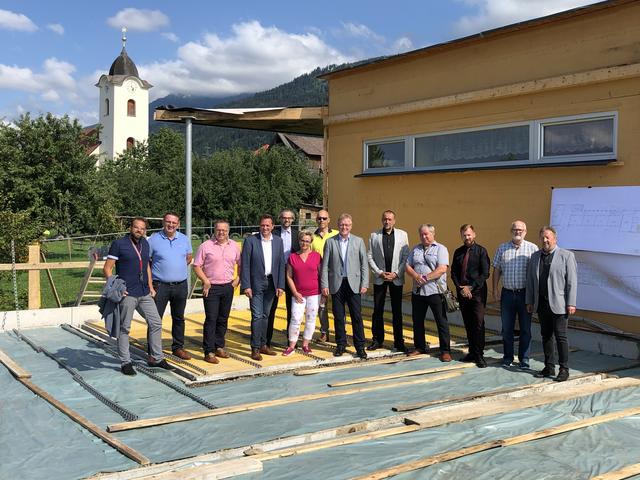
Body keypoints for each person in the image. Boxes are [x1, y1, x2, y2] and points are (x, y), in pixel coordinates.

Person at [103, 217, 171, 375]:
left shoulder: (145, 244)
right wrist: (116, 286)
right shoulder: (119, 244)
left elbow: (146, 265)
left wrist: (150, 286)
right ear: (130, 228)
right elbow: (107, 269)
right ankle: (125, 362)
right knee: (124, 328)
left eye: (142, 228)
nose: (139, 231)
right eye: (136, 227)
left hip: (144, 292)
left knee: (156, 323)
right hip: (128, 294)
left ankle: (157, 358)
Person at [526, 226, 577, 382]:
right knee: (546, 336)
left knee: (561, 337)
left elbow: (572, 281)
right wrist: (529, 301)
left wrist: (571, 303)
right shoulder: (535, 257)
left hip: (560, 304)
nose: (545, 240)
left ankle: (564, 368)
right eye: (542, 237)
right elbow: (530, 281)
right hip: (541, 303)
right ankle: (549, 366)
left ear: (555, 238)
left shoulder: (567, 256)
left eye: (548, 237)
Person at [321, 213, 369, 359]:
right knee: (338, 316)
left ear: (351, 226)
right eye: (342, 224)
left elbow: (364, 264)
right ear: (338, 225)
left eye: (347, 225)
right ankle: (340, 345)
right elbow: (325, 266)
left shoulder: (358, 241)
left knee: (356, 316)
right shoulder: (330, 242)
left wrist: (365, 283)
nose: (344, 227)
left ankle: (360, 346)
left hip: (353, 284)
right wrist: (324, 284)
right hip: (336, 284)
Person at [192, 220, 241, 364]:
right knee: (211, 319)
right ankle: (208, 351)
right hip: (211, 287)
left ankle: (219, 346)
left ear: (228, 231)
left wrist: (238, 280)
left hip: (228, 286)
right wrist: (205, 281)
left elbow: (241, 263)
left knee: (223, 318)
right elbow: (196, 265)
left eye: (224, 230)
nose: (221, 232)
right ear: (214, 230)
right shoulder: (205, 246)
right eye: (219, 230)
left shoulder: (234, 246)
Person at [492, 220, 539, 368]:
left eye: (520, 229)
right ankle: (507, 357)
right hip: (507, 294)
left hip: (525, 294)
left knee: (525, 328)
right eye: (515, 229)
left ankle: (524, 359)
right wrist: (494, 289)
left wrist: (533, 295)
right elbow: (497, 270)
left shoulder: (532, 248)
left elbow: (536, 273)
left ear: (525, 232)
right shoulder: (502, 248)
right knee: (507, 328)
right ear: (510, 231)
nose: (517, 231)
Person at [148, 212, 193, 360]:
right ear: (163, 222)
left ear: (178, 224)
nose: (171, 225)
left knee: (179, 318)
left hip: (180, 286)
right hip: (160, 286)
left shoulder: (184, 239)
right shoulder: (153, 240)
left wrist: (175, 270)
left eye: (174, 223)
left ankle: (178, 347)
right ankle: (153, 352)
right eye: (168, 222)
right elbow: (147, 262)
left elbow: (188, 258)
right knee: (156, 319)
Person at [240, 214, 286, 361]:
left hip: (272, 283)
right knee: (257, 316)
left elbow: (280, 265)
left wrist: (280, 285)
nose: (265, 228)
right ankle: (255, 348)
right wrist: (246, 285)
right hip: (256, 284)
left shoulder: (278, 241)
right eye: (262, 225)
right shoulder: (250, 241)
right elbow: (245, 264)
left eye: (268, 225)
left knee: (266, 315)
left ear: (273, 226)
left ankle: (264, 345)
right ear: (259, 226)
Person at [405, 224, 452, 362]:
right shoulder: (415, 249)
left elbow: (442, 268)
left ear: (433, 234)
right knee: (417, 320)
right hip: (418, 292)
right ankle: (420, 347)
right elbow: (407, 266)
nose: (424, 236)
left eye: (426, 234)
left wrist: (425, 278)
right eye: (421, 234)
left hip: (435, 291)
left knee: (441, 321)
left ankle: (445, 350)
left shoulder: (441, 249)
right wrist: (416, 276)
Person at [367, 210, 409, 352]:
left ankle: (399, 342)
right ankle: (377, 340)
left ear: (394, 221)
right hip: (380, 278)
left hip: (396, 278)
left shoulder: (403, 235)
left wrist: (396, 273)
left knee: (397, 311)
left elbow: (406, 257)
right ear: (382, 220)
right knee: (377, 310)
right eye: (385, 219)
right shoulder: (374, 236)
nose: (387, 222)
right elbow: (370, 257)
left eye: (390, 219)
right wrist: (379, 272)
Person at [450, 224, 490, 368]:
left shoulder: (481, 251)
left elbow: (485, 273)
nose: (467, 237)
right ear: (461, 236)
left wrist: (470, 287)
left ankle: (479, 355)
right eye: (464, 235)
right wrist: (460, 287)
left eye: (469, 235)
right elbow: (453, 272)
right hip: (462, 293)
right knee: (468, 323)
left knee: (478, 323)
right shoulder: (458, 252)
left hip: (477, 293)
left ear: (474, 234)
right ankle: (472, 352)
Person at [282, 231, 322, 356]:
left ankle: (305, 344)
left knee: (311, 319)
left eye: (307, 241)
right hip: (298, 294)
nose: (304, 243)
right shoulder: (292, 257)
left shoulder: (317, 256)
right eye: (302, 240)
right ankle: (292, 346)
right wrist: (294, 292)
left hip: (314, 293)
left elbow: (321, 275)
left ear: (311, 242)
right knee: (295, 318)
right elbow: (289, 276)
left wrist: (324, 294)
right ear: (299, 241)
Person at [267, 209, 300, 348]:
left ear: (293, 220)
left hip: (292, 274)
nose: (287, 220)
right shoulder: (273, 234)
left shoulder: (297, 235)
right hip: (276, 274)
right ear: (280, 219)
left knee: (292, 309)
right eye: (284, 218)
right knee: (271, 308)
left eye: (289, 218)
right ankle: (266, 340)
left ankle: (291, 340)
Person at [311, 209, 338, 342]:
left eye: (324, 218)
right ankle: (324, 332)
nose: (322, 220)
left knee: (338, 305)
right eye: (319, 218)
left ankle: (340, 332)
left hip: (336, 275)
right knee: (322, 306)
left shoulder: (337, 234)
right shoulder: (312, 237)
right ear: (316, 220)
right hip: (319, 276)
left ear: (329, 220)